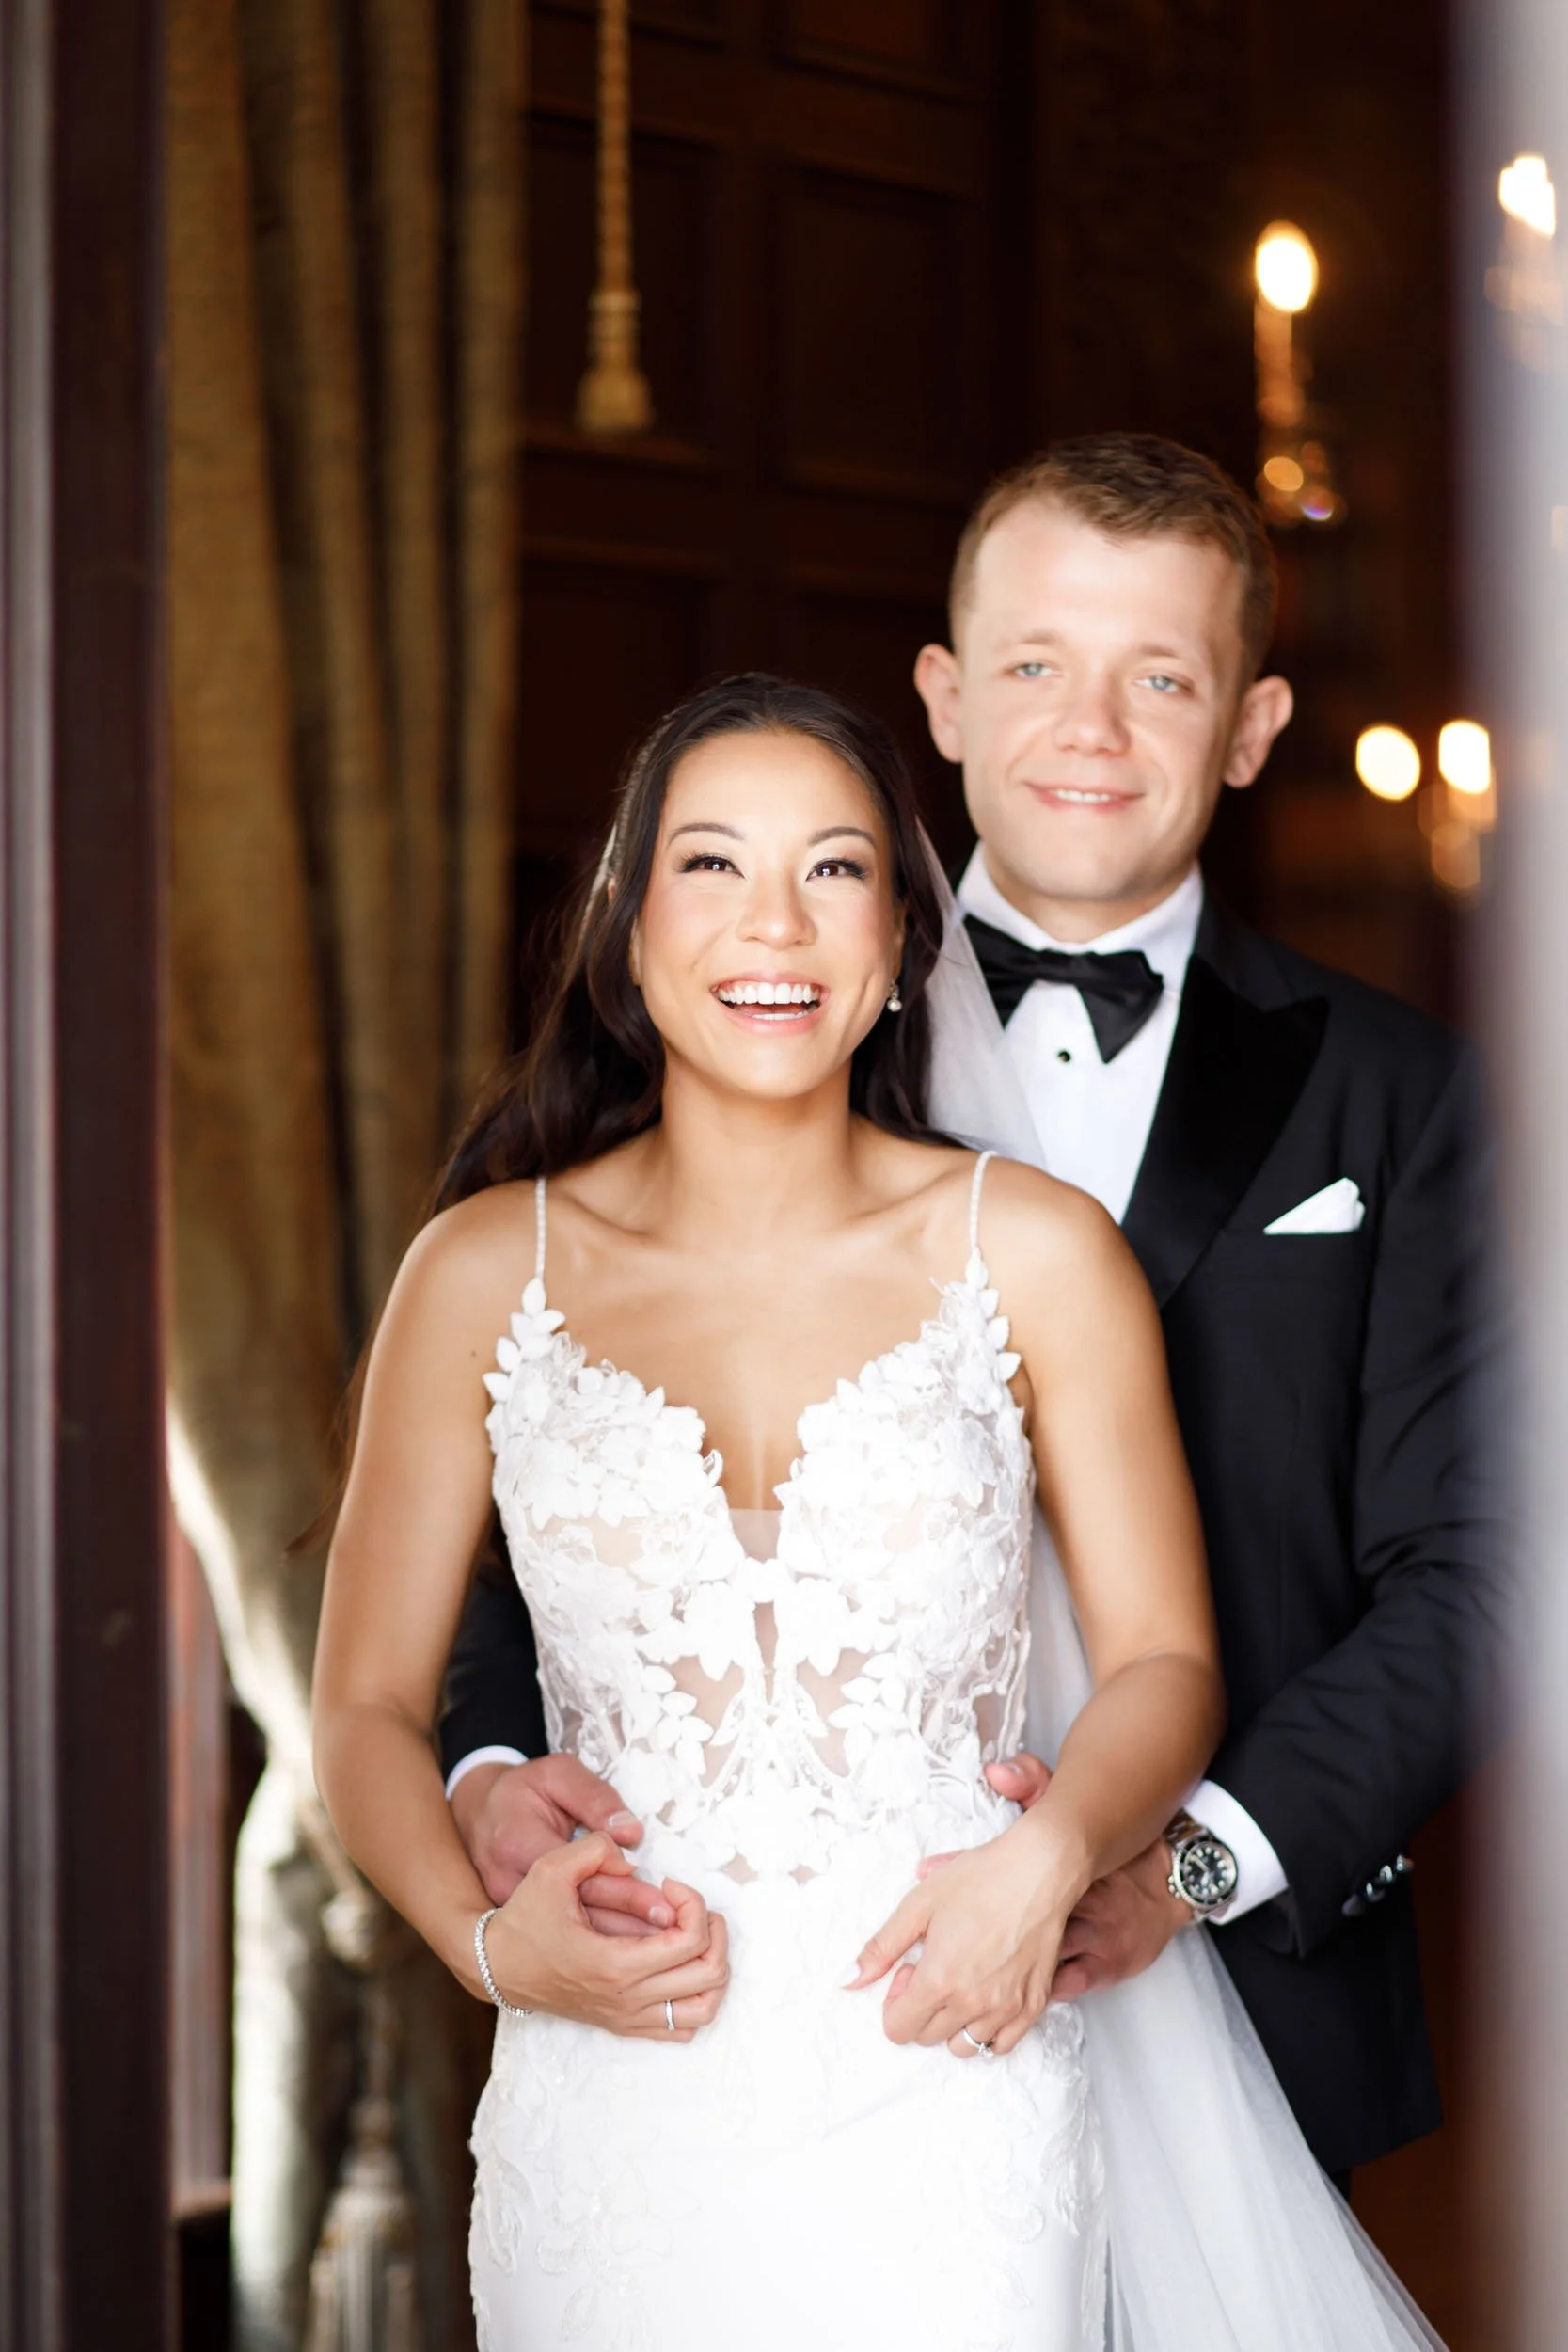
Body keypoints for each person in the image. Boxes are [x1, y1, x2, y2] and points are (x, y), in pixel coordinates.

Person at [314, 670, 1449, 2350]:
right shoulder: (483, 1271)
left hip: (957, 2081)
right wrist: (490, 1950)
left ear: (902, 940)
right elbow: (365, 1705)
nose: (773, 922)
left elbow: (1163, 1667)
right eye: (710, 867)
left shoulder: (1038, 1252)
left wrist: (1049, 1858)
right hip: (613, 2109)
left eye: (834, 870)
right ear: (627, 933)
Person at [437, 435, 1509, 2194]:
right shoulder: (748, 1007)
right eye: (1033, 666)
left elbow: (1484, 1570)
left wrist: (1180, 1870)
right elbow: (525, 1450)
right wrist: (485, 1767)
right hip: (765, 1989)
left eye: (1159, 677)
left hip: (1232, 1977)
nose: (1089, 730)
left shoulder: (1404, 1098)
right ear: (939, 696)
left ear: (1247, 726)